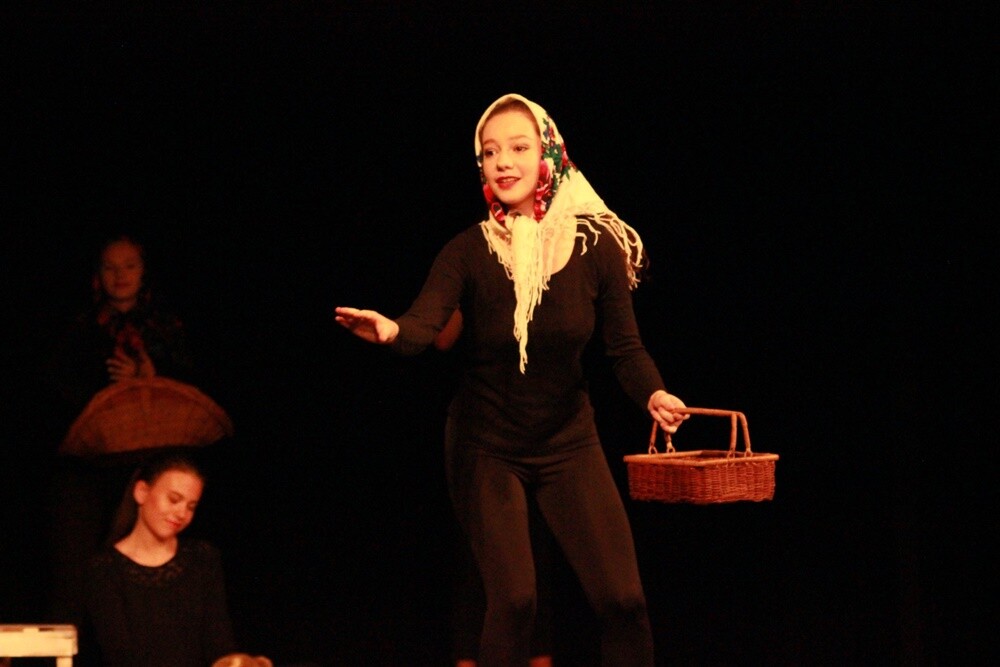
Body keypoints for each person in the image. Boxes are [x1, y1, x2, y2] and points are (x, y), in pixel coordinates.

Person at [336, 94, 687, 666]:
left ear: (548, 154)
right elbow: (423, 325)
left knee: (624, 601)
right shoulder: (468, 251)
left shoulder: (596, 245)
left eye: (519, 148)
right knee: (515, 601)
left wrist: (655, 392)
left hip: (568, 441)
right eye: (490, 152)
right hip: (486, 445)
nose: (503, 161)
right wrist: (390, 330)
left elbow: (625, 348)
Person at [44, 233, 197, 624]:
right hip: (90, 461)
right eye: (110, 267)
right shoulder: (81, 326)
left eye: (129, 266)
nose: (120, 275)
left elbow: (191, 392)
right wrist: (110, 392)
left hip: (148, 461)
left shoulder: (166, 327)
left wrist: (149, 377)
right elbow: (57, 389)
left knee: (139, 558)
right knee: (77, 566)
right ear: (98, 274)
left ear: (144, 271)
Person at [80, 453, 237, 667]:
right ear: (142, 492)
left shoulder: (203, 558)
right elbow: (119, 655)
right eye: (174, 499)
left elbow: (219, 644)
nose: (181, 513)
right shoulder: (105, 569)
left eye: (191, 506)